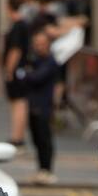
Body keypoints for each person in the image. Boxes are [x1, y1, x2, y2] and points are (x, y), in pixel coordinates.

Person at [16, 28, 60, 184]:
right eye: (36, 44)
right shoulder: (34, 60)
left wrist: (27, 74)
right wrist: (27, 74)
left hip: (44, 106)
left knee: (44, 139)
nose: (38, 46)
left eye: (42, 44)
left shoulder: (50, 62)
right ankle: (40, 170)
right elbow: (22, 76)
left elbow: (35, 78)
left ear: (48, 45)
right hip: (32, 104)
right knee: (36, 139)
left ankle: (47, 171)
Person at [2, 0, 31, 148]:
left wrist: (9, 70)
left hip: (17, 71)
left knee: (18, 103)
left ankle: (17, 137)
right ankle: (17, 136)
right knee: (18, 103)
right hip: (20, 70)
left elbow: (15, 50)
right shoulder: (22, 25)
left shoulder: (18, 26)